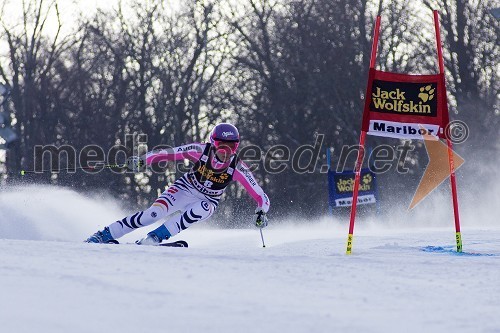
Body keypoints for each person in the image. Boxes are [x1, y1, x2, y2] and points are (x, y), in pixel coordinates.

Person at [85, 123, 270, 245]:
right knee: (152, 214)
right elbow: (167, 153)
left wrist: (261, 212)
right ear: (213, 143)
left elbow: (261, 196)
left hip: (208, 200)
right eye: (222, 145)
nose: (226, 150)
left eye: (232, 146)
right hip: (184, 188)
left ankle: (155, 238)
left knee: (201, 208)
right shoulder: (199, 150)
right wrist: (142, 160)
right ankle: (105, 235)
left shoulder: (238, 167)